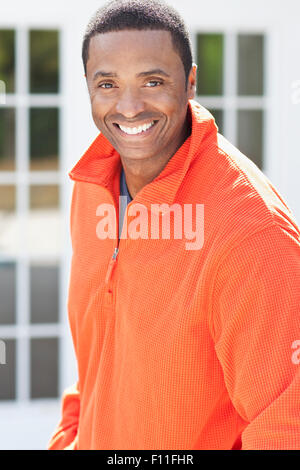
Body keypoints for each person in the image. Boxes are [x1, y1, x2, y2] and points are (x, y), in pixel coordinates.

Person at [48, 0, 300, 450]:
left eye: (153, 81)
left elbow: (286, 425)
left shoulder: (251, 230)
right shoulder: (92, 187)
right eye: (107, 84)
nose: (129, 107)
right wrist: (71, 436)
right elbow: (101, 351)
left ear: (190, 83)